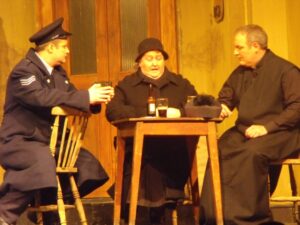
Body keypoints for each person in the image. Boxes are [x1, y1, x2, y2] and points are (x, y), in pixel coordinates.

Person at [0, 17, 114, 225]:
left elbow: (71, 97)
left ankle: (45, 207)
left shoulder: (59, 75)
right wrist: (85, 96)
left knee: (89, 167)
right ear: (51, 48)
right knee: (42, 161)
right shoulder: (24, 71)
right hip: (22, 141)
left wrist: (93, 100)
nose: (67, 51)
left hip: (53, 143)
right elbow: (40, 97)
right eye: (63, 47)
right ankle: (5, 214)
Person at [200, 24, 300, 225]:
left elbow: (296, 107)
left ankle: (249, 219)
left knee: (250, 154)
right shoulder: (240, 72)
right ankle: (215, 216)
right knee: (218, 149)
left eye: (239, 47)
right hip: (246, 129)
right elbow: (226, 97)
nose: (235, 52)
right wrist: (222, 108)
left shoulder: (286, 71)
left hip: (282, 131)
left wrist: (267, 127)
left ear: (255, 46)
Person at [106, 37, 197, 224]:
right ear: (139, 62)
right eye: (149, 58)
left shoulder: (180, 84)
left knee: (159, 154)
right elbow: (113, 111)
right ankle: (157, 213)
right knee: (147, 154)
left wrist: (178, 113)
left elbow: (197, 105)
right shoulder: (127, 85)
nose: (154, 63)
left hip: (173, 150)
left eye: (158, 57)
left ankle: (147, 213)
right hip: (137, 150)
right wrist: (149, 113)